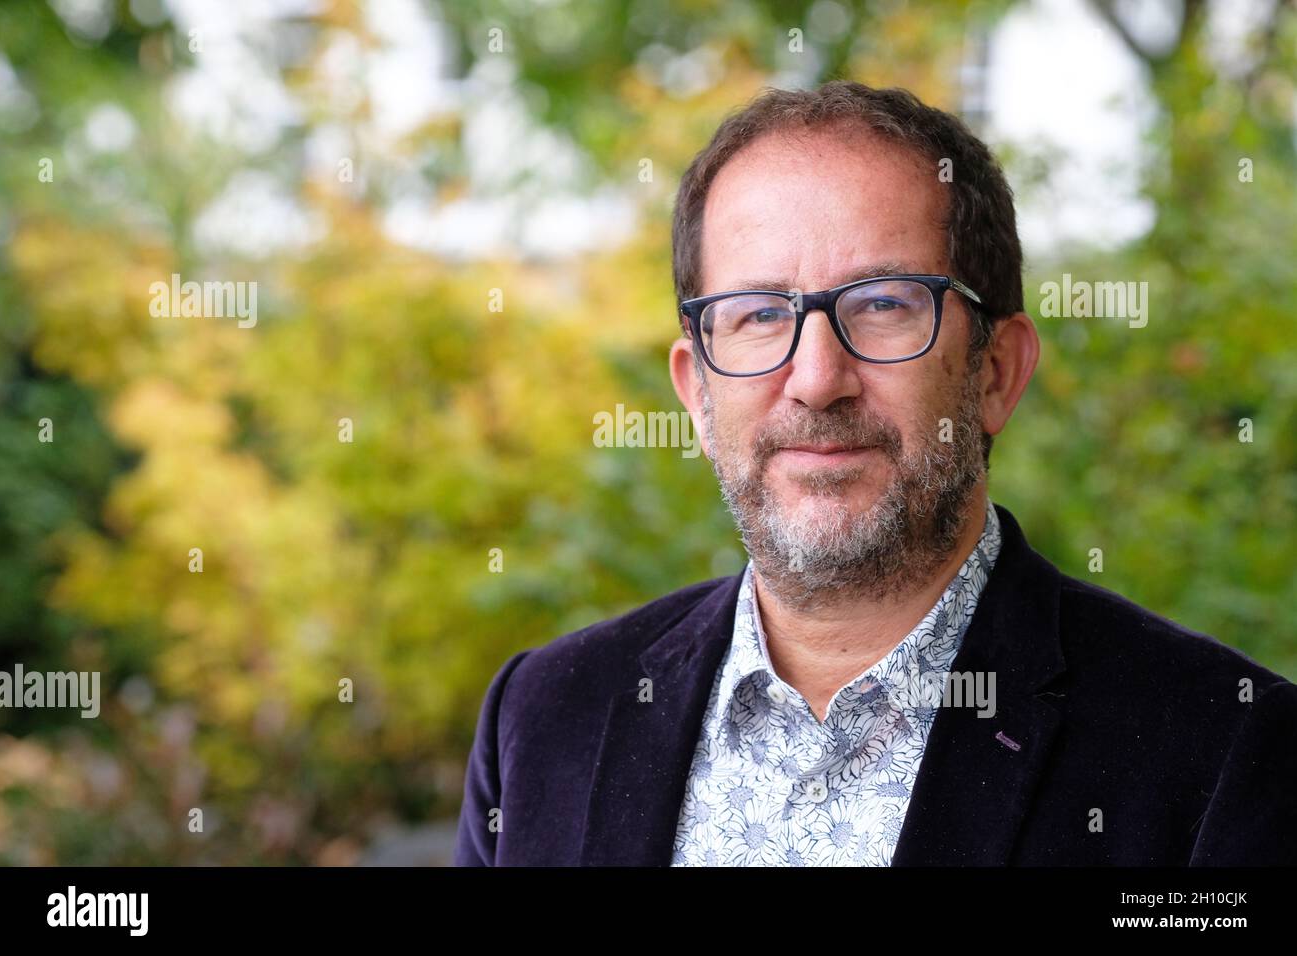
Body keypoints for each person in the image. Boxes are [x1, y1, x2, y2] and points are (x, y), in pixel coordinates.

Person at [453, 80, 1297, 866]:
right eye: (757, 315)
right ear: (697, 395)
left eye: (885, 304)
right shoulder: (546, 717)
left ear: (997, 372)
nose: (817, 379)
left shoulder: (1224, 752)